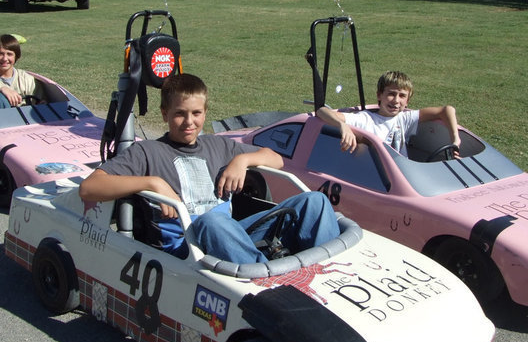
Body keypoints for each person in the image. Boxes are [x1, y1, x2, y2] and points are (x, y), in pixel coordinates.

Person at [79, 73, 339, 264]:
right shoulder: (146, 152)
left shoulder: (220, 147)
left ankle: (324, 272)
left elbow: (276, 159)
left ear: (205, 113)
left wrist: (242, 161)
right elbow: (89, 188)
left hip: (230, 239)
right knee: (212, 221)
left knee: (315, 202)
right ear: (164, 114)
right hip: (186, 252)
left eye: (196, 113)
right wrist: (151, 183)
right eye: (180, 113)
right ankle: (268, 281)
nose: (189, 122)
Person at [317, 70, 460, 158]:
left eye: (402, 96)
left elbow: (447, 110)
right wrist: (342, 125)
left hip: (404, 178)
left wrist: (455, 141)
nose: (396, 101)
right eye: (391, 94)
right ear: (379, 95)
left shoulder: (405, 118)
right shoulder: (366, 119)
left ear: (408, 101)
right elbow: (322, 111)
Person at [0, 34, 42, 109]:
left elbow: (42, 102)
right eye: (0, 54)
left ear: (16, 56)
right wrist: (0, 90)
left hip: (26, 119)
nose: (5, 58)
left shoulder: (27, 79)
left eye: (9, 54)